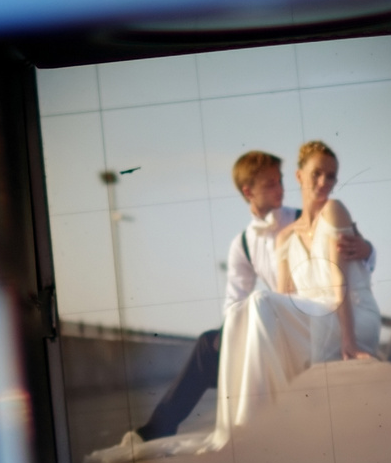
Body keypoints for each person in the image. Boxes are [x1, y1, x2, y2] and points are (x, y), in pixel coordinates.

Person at [119, 148, 371, 447]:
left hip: (311, 318)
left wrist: (367, 248)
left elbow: (353, 262)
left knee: (249, 319)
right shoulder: (242, 245)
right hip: (276, 318)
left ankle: (256, 431)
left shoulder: (311, 214)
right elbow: (234, 301)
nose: (280, 189)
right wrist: (234, 335)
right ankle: (159, 427)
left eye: (279, 181)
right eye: (270, 184)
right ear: (248, 191)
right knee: (208, 344)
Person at [210, 139, 382, 435]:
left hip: (351, 315)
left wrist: (350, 342)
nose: (324, 182)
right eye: (316, 173)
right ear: (299, 176)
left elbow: (339, 280)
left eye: (331, 176)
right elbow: (283, 296)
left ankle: (253, 425)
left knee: (260, 301)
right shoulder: (283, 237)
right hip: (314, 317)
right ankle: (251, 423)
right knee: (248, 308)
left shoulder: (334, 210)